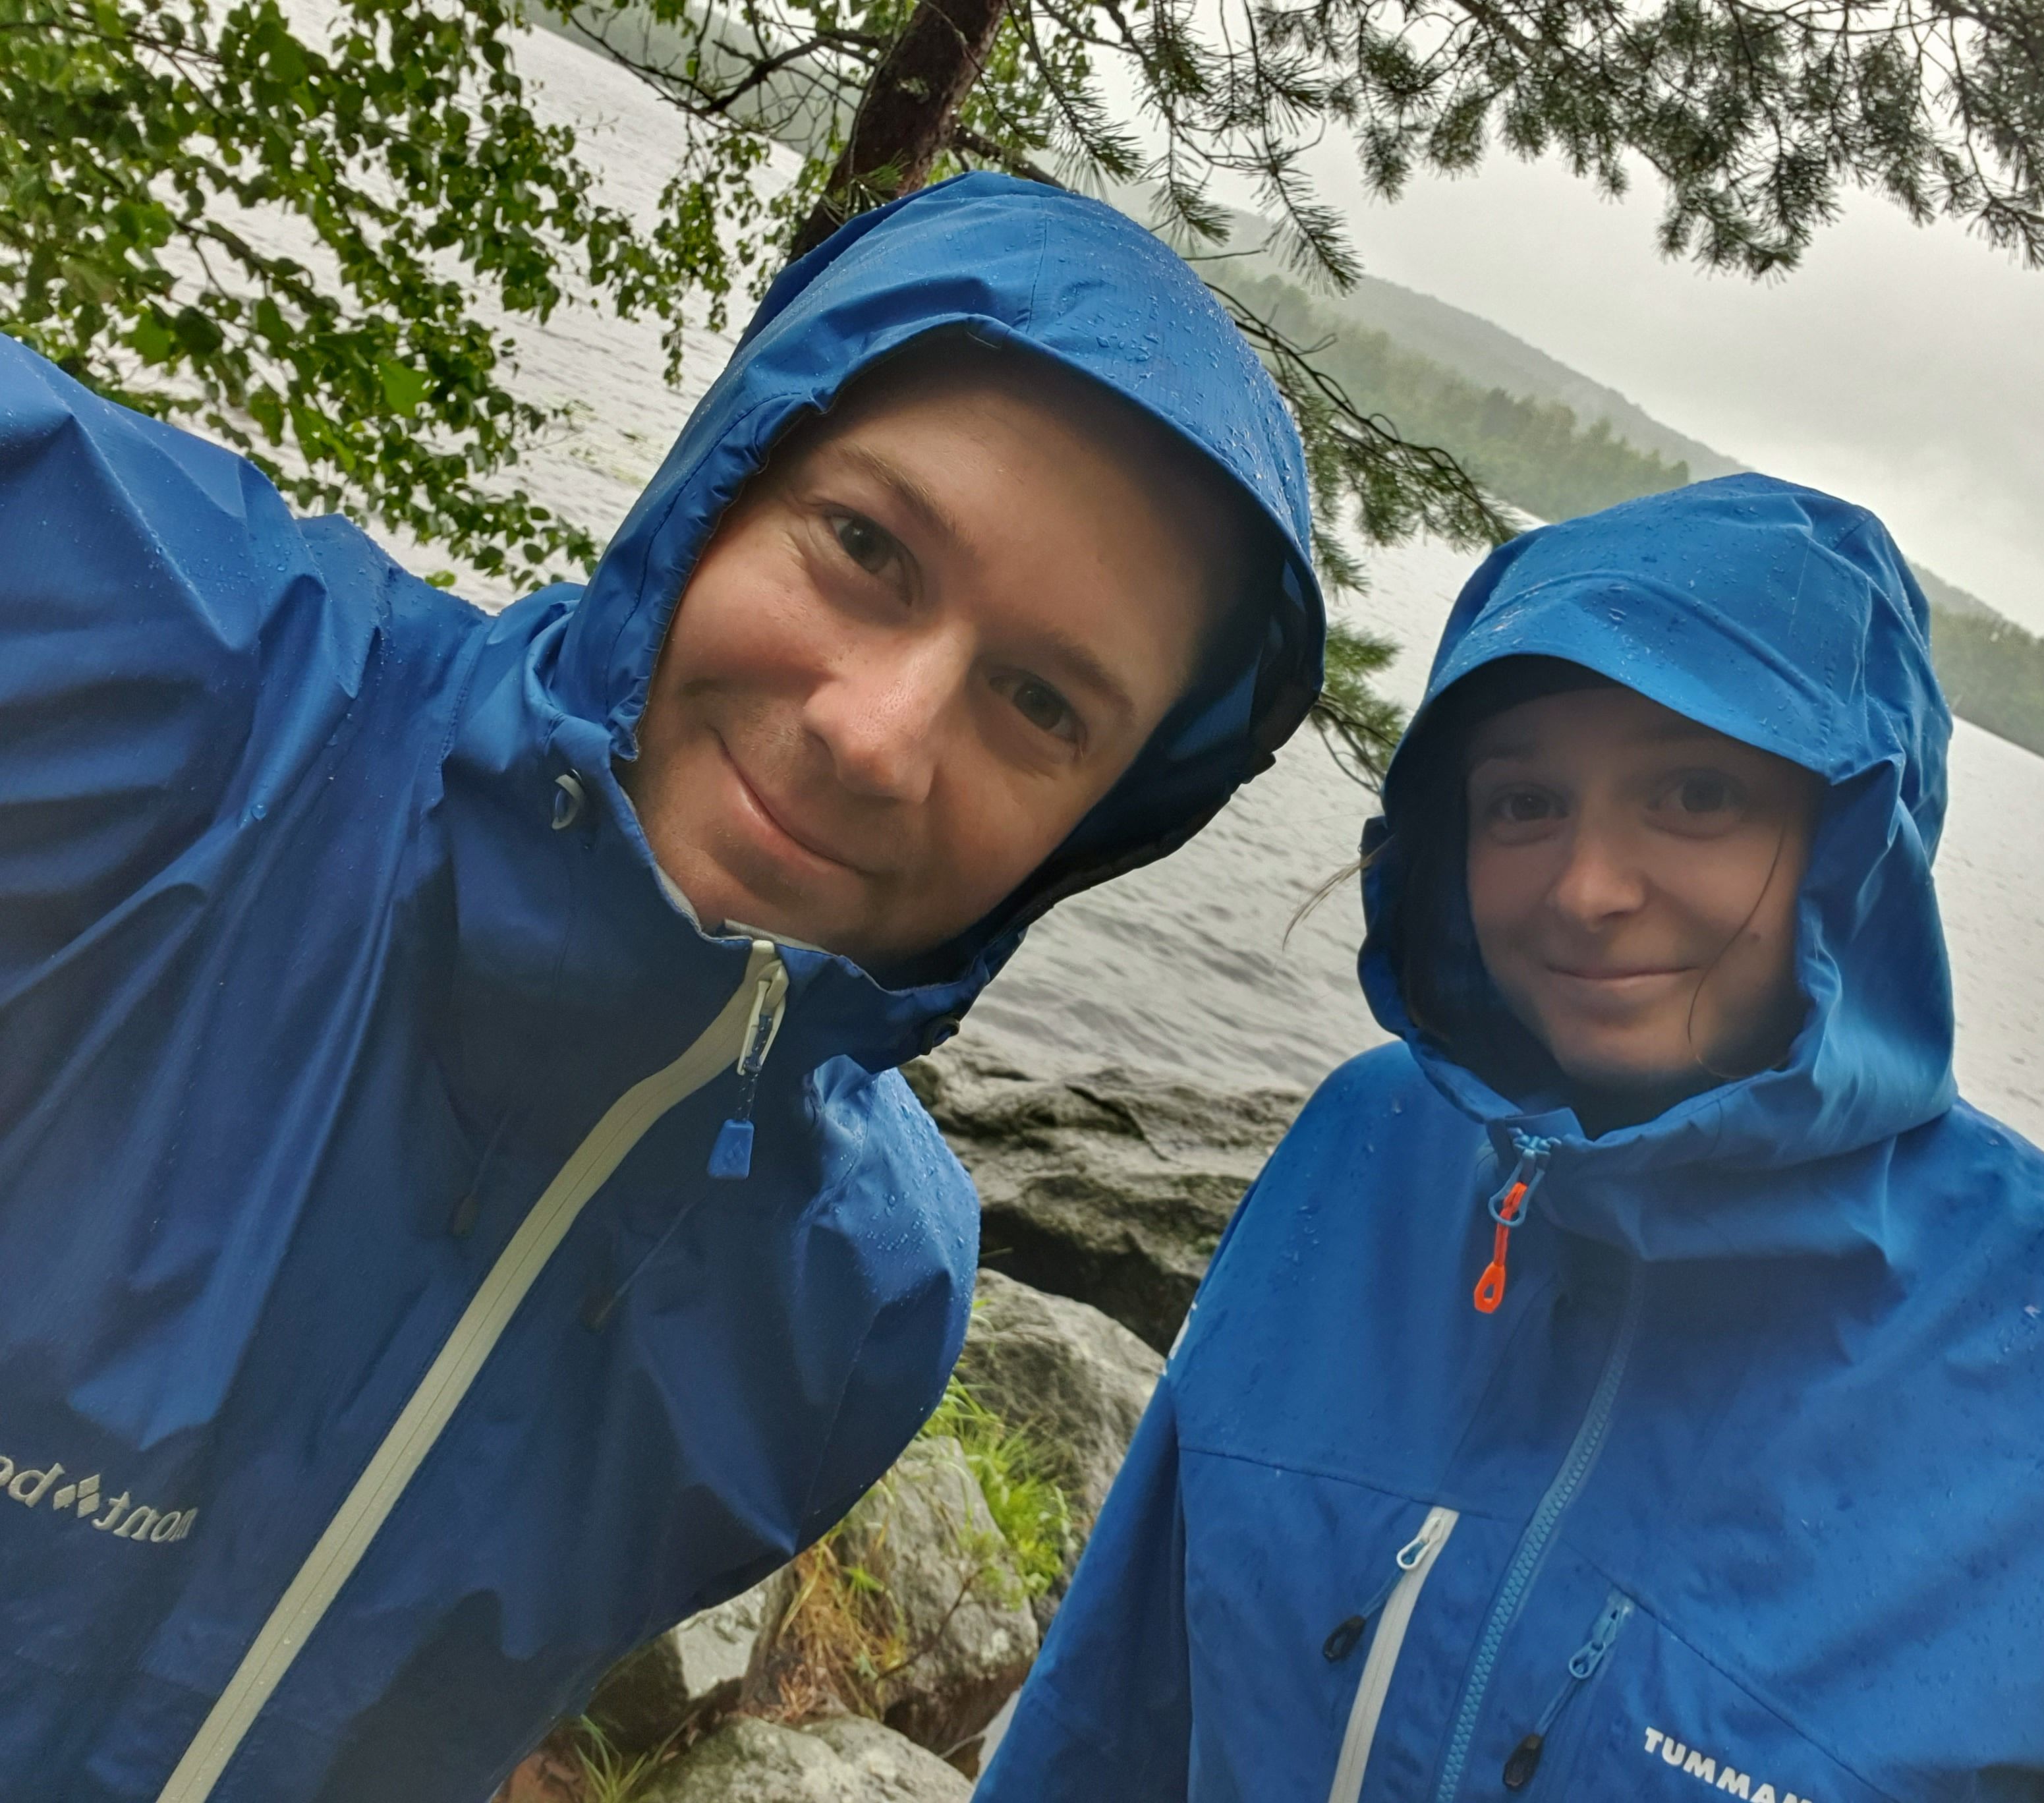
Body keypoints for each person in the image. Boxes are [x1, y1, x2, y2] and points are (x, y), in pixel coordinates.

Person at [0, 172, 1322, 1803]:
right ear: (724, 482)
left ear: (1095, 825)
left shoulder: (854, 1308)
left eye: (1041, 703)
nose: (876, 735)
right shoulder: (154, 675)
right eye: (866, 547)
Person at [979, 476, 2044, 1802]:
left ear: (1858, 844)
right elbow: (1109, 1719)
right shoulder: (1368, 1150)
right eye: (1524, 801)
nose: (1588, 888)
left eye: (1697, 794)